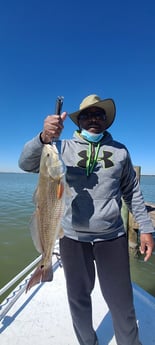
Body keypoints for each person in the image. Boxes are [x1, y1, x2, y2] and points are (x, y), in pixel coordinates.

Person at [19, 94, 155, 345]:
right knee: (79, 300)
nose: (93, 119)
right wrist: (42, 137)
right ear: (78, 121)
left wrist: (145, 228)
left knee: (122, 302)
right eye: (87, 115)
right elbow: (26, 164)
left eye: (99, 114)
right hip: (72, 237)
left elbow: (132, 192)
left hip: (111, 237)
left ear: (106, 121)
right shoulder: (59, 148)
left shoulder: (121, 151)